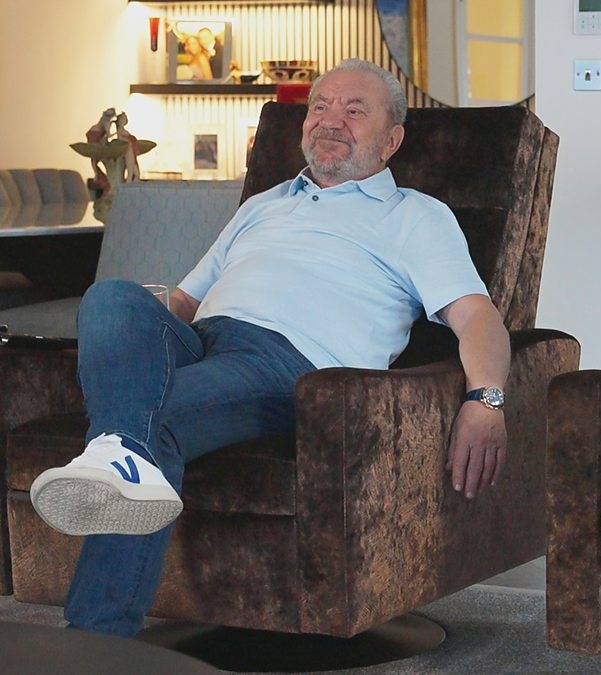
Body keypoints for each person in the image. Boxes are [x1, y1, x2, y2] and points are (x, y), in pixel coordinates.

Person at [28, 58, 510, 638]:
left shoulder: (416, 216)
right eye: (320, 106)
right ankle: (120, 451)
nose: (330, 119)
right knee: (111, 296)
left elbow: (477, 316)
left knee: (152, 422)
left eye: (354, 110)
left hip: (288, 367)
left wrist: (486, 399)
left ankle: (97, 637)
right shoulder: (263, 204)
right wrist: (125, 342)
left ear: (392, 141)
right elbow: (181, 302)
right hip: (201, 342)